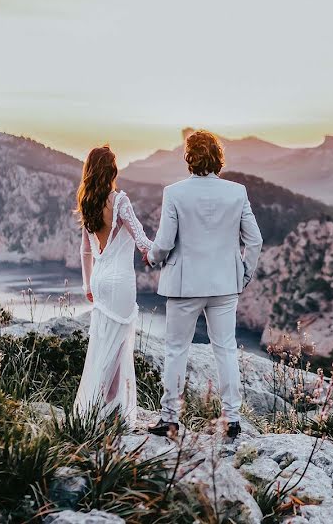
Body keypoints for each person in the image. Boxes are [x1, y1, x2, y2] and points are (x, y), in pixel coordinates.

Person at [146, 130, 263, 439]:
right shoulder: (237, 192)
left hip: (184, 285)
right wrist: (244, 275)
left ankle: (170, 417)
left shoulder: (175, 192)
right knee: (225, 350)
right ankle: (232, 418)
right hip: (225, 285)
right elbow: (255, 241)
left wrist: (152, 258)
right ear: (217, 158)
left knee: (175, 351)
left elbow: (164, 243)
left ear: (189, 158)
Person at [74, 144, 151, 425]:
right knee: (118, 347)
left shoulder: (88, 201)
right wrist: (166, 250)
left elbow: (85, 249)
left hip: (99, 279)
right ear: (112, 170)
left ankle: (102, 409)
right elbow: (142, 241)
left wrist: (87, 285)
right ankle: (107, 410)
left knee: (103, 342)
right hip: (120, 282)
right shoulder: (119, 201)